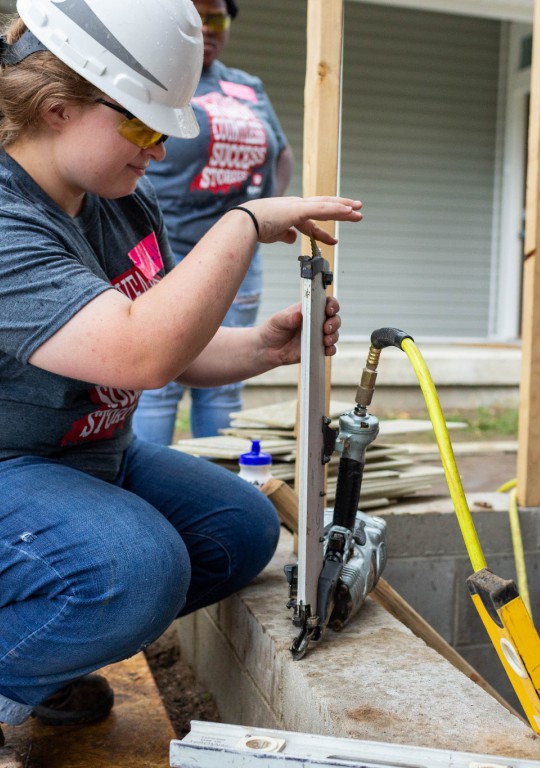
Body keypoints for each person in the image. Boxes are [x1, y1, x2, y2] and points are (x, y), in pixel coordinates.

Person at [0, 0, 361, 757]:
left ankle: (37, 662)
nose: (158, 151)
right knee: (135, 568)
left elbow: (168, 345)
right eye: (143, 125)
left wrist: (264, 346)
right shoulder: (7, 220)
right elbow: (140, 354)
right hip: (11, 467)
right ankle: (16, 663)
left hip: (83, 457)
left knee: (240, 531)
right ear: (58, 106)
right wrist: (244, 222)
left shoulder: (119, 202)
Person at [133, 0, 295, 445]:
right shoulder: (155, 75)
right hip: (166, 255)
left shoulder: (247, 86)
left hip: (236, 259)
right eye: (196, 16)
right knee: (159, 381)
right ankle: (149, 495)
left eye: (218, 17)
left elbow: (280, 152)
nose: (206, 27)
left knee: (224, 388)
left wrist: (262, 215)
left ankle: (215, 485)